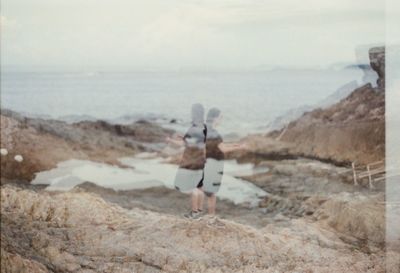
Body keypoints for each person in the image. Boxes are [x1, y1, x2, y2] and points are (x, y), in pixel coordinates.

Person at [201, 108, 245, 217]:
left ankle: (209, 215)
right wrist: (239, 148)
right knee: (211, 193)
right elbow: (223, 149)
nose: (221, 120)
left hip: (208, 163)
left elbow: (220, 145)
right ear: (215, 118)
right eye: (220, 118)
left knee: (209, 191)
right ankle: (211, 216)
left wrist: (237, 145)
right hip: (214, 165)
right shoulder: (215, 133)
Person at [167, 103, 207, 219]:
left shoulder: (193, 128)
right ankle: (199, 210)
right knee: (200, 187)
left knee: (192, 188)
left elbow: (185, 144)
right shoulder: (205, 127)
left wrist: (171, 140)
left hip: (192, 162)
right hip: (202, 161)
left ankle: (194, 213)